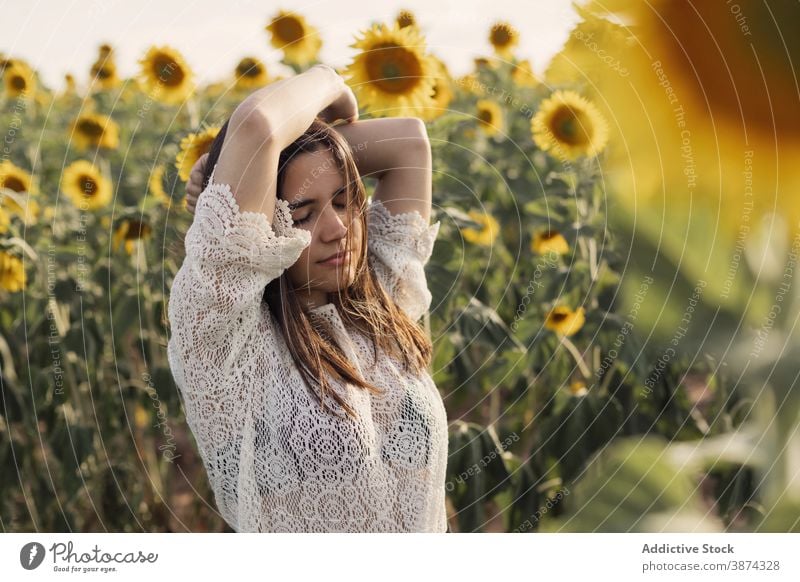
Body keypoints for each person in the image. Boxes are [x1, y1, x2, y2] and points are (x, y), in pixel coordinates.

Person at [167, 64, 450, 532]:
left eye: (343, 202)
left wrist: (309, 141)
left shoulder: (383, 300)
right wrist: (329, 82)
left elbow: (409, 144)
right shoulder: (224, 340)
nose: (337, 229)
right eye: (302, 214)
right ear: (259, 226)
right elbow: (259, 126)